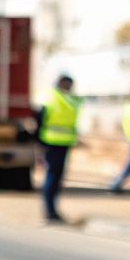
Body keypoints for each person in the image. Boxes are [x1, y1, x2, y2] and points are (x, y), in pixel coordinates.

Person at [35, 74, 80, 223]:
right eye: (66, 84)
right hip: (51, 143)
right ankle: (49, 211)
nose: (69, 87)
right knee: (53, 177)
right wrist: (39, 142)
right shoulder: (51, 98)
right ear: (61, 83)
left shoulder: (70, 100)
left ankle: (53, 210)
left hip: (64, 143)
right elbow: (40, 120)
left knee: (57, 178)